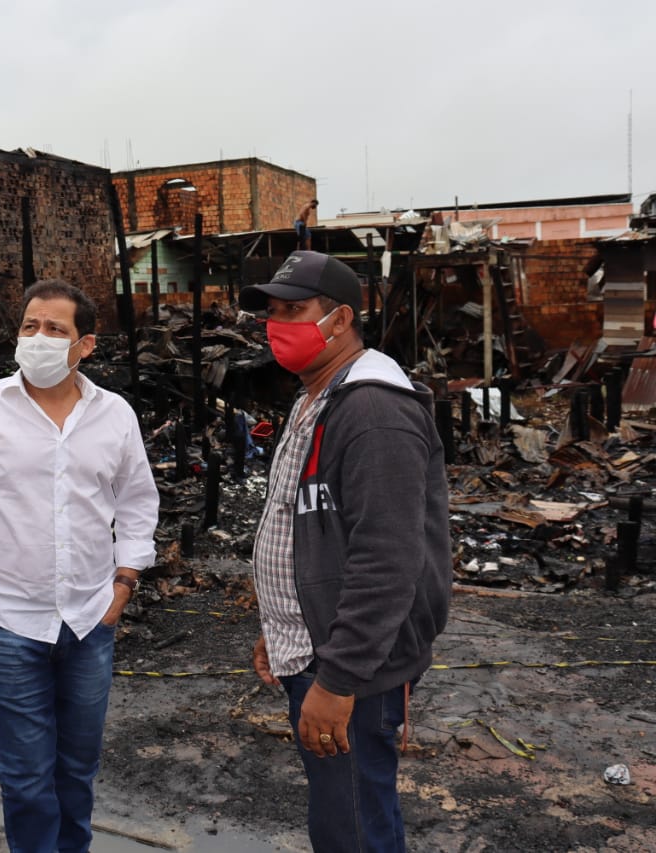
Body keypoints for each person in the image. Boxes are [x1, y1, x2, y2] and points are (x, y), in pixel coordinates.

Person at [0, 279, 159, 853]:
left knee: (77, 774)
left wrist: (124, 583)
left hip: (88, 622)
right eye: (31, 326)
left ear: (86, 346)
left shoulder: (115, 415)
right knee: (27, 781)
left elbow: (137, 502)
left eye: (56, 329)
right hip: (6, 624)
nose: (39, 337)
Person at [239, 251, 451, 853]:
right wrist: (282, 623)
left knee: (351, 825)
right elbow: (304, 524)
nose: (277, 324)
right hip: (316, 645)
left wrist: (338, 678)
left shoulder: (373, 410)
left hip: (350, 667)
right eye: (272, 312)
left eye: (294, 310)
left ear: (339, 320)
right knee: (346, 812)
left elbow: (387, 560)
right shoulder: (317, 396)